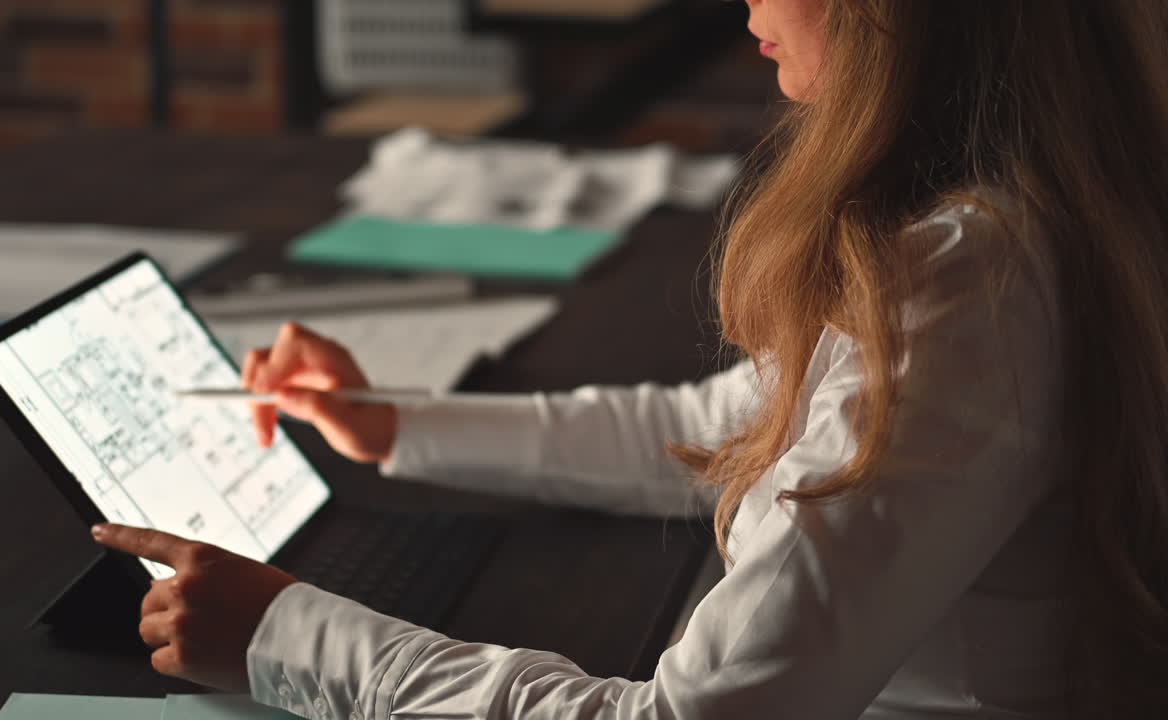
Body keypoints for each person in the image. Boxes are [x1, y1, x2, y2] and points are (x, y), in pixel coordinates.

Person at [91, 0, 1168, 717]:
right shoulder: (997, 223)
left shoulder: (965, 285)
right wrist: (396, 423)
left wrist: (286, 636)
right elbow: (724, 428)